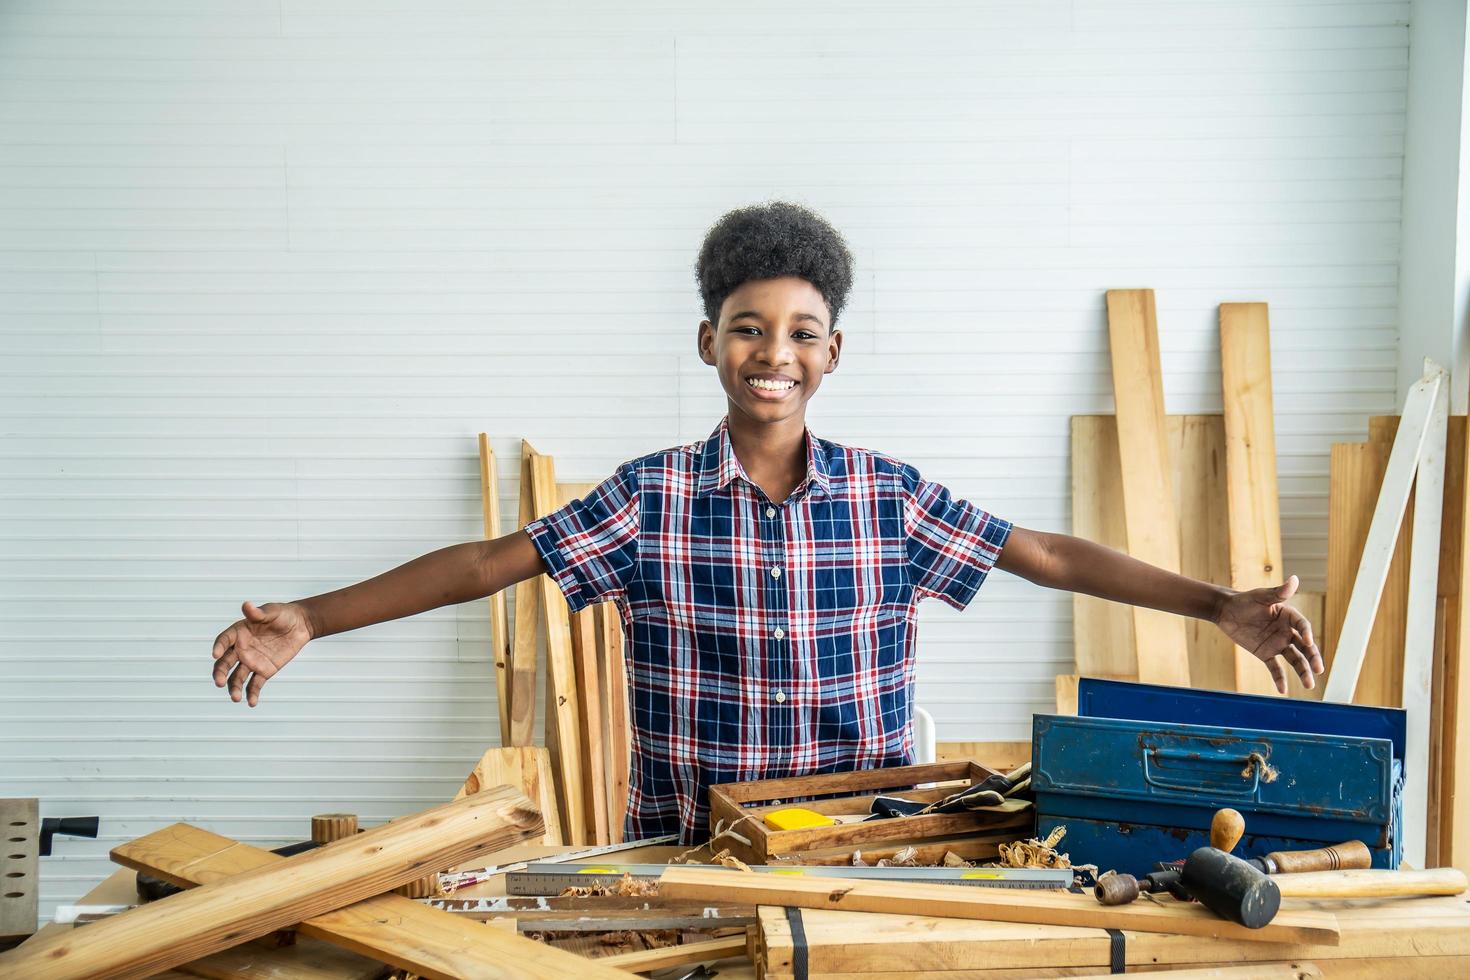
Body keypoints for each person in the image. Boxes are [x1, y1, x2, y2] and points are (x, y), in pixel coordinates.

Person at [210, 201, 1324, 843]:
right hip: (693, 847)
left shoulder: (889, 499)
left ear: (831, 351)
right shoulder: (651, 500)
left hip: (865, 844)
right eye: (748, 327)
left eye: (801, 331)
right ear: (709, 343)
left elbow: (1042, 550)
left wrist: (1217, 602)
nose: (774, 353)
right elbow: (486, 563)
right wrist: (311, 613)